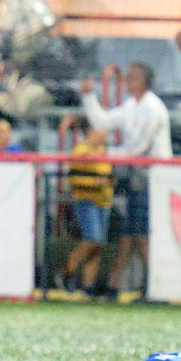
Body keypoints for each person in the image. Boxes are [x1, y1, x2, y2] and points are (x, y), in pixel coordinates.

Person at [80, 62, 172, 299]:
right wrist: (88, 97)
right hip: (135, 177)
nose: (127, 81)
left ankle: (156, 287)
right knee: (130, 234)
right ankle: (115, 286)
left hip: (152, 178)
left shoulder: (154, 108)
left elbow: (138, 148)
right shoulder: (132, 106)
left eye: (132, 78)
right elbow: (102, 122)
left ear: (143, 82)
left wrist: (106, 153)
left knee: (142, 234)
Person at [57, 125, 111, 297]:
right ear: (90, 132)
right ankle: (65, 272)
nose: (105, 134)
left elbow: (108, 176)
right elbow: (73, 176)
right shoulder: (80, 151)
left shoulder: (105, 151)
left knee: (97, 245)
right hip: (87, 200)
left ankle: (88, 287)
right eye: (101, 130)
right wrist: (93, 183)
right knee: (92, 239)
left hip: (104, 201)